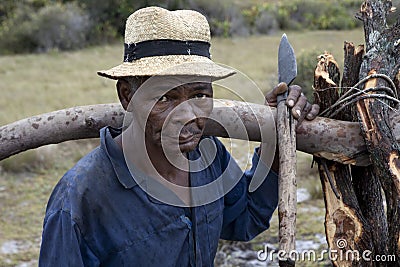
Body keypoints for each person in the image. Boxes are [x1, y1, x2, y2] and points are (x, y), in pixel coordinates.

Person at [39, 6, 319, 267]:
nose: (186, 115)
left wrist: (277, 135)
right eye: (164, 98)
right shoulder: (79, 200)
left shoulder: (206, 154)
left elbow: (245, 218)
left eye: (199, 95)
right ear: (127, 96)